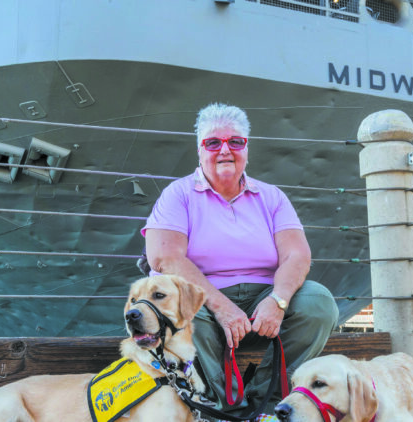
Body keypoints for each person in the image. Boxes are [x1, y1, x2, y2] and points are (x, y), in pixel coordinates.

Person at [142, 103, 339, 413]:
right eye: (213, 142)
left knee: (319, 303)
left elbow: (298, 255)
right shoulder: (177, 194)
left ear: (246, 148)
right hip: (203, 301)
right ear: (200, 150)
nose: (225, 150)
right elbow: (164, 258)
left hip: (263, 300)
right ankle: (223, 410)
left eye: (235, 142)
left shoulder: (271, 196)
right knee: (179, 309)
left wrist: (278, 301)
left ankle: (269, 402)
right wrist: (222, 308)